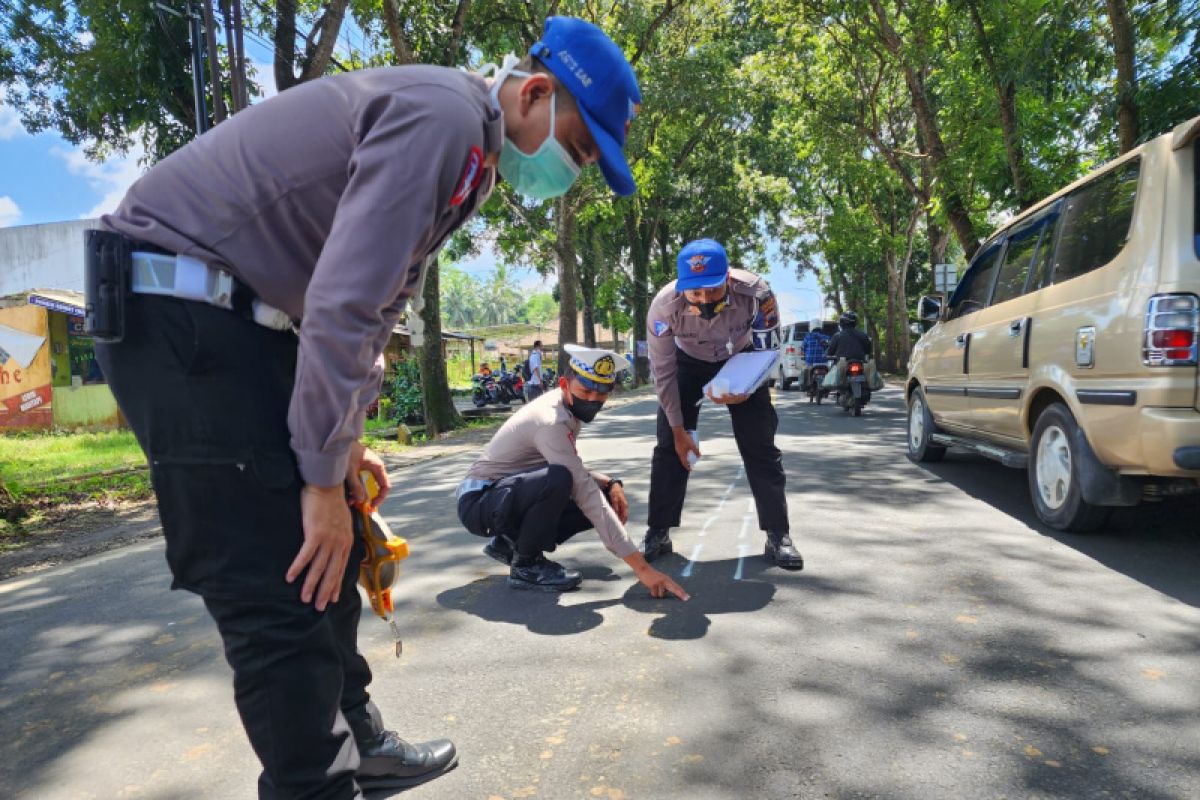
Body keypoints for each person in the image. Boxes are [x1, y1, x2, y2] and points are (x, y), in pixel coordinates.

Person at [91, 16, 642, 800]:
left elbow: (378, 305)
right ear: (536, 92)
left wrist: (341, 451)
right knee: (275, 585)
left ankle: (357, 739)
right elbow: (345, 301)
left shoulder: (474, 157)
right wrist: (315, 483)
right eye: (580, 149)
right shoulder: (445, 118)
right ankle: (316, 784)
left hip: (247, 323)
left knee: (337, 543)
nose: (573, 172)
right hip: (180, 318)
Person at [458, 344, 689, 598]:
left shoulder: (566, 408)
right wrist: (642, 569)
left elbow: (573, 468)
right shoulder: (551, 420)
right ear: (564, 384)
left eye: (602, 393)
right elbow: (579, 485)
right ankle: (526, 564)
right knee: (561, 481)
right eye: (586, 390)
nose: (592, 400)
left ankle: (509, 544)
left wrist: (611, 483)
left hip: (505, 495)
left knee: (596, 490)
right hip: (480, 502)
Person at [641, 239, 804, 570]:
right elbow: (663, 373)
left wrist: (747, 387)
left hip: (744, 359)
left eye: (711, 291)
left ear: (727, 279)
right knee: (670, 448)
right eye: (694, 293)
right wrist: (677, 428)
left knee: (760, 444)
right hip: (687, 364)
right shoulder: (663, 307)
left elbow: (766, 352)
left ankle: (778, 534)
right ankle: (658, 531)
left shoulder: (757, 293)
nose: (702, 300)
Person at [799, 320, 830, 392]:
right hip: (823, 362)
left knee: (804, 371)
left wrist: (804, 354)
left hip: (810, 362)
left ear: (811, 327)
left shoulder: (807, 337)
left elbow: (803, 349)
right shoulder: (826, 337)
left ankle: (806, 387)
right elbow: (829, 348)